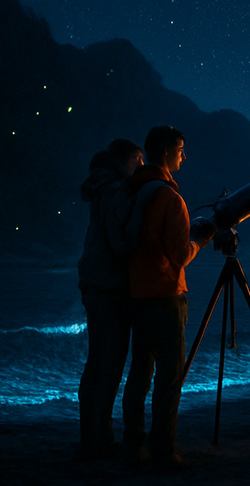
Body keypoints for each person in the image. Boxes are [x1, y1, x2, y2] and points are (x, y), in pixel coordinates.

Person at [121, 125, 213, 467]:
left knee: (139, 375)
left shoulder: (132, 190)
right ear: (164, 153)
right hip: (165, 296)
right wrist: (201, 240)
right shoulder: (169, 197)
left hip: (136, 294)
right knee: (169, 377)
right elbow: (179, 255)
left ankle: (134, 445)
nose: (184, 157)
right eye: (179, 150)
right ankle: (165, 449)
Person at [76, 138, 143, 459]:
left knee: (96, 363)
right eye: (137, 159)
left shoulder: (98, 189)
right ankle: (102, 437)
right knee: (111, 365)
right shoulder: (116, 191)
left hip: (93, 282)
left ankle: (89, 434)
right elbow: (122, 241)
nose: (141, 167)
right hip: (112, 287)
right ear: (121, 161)